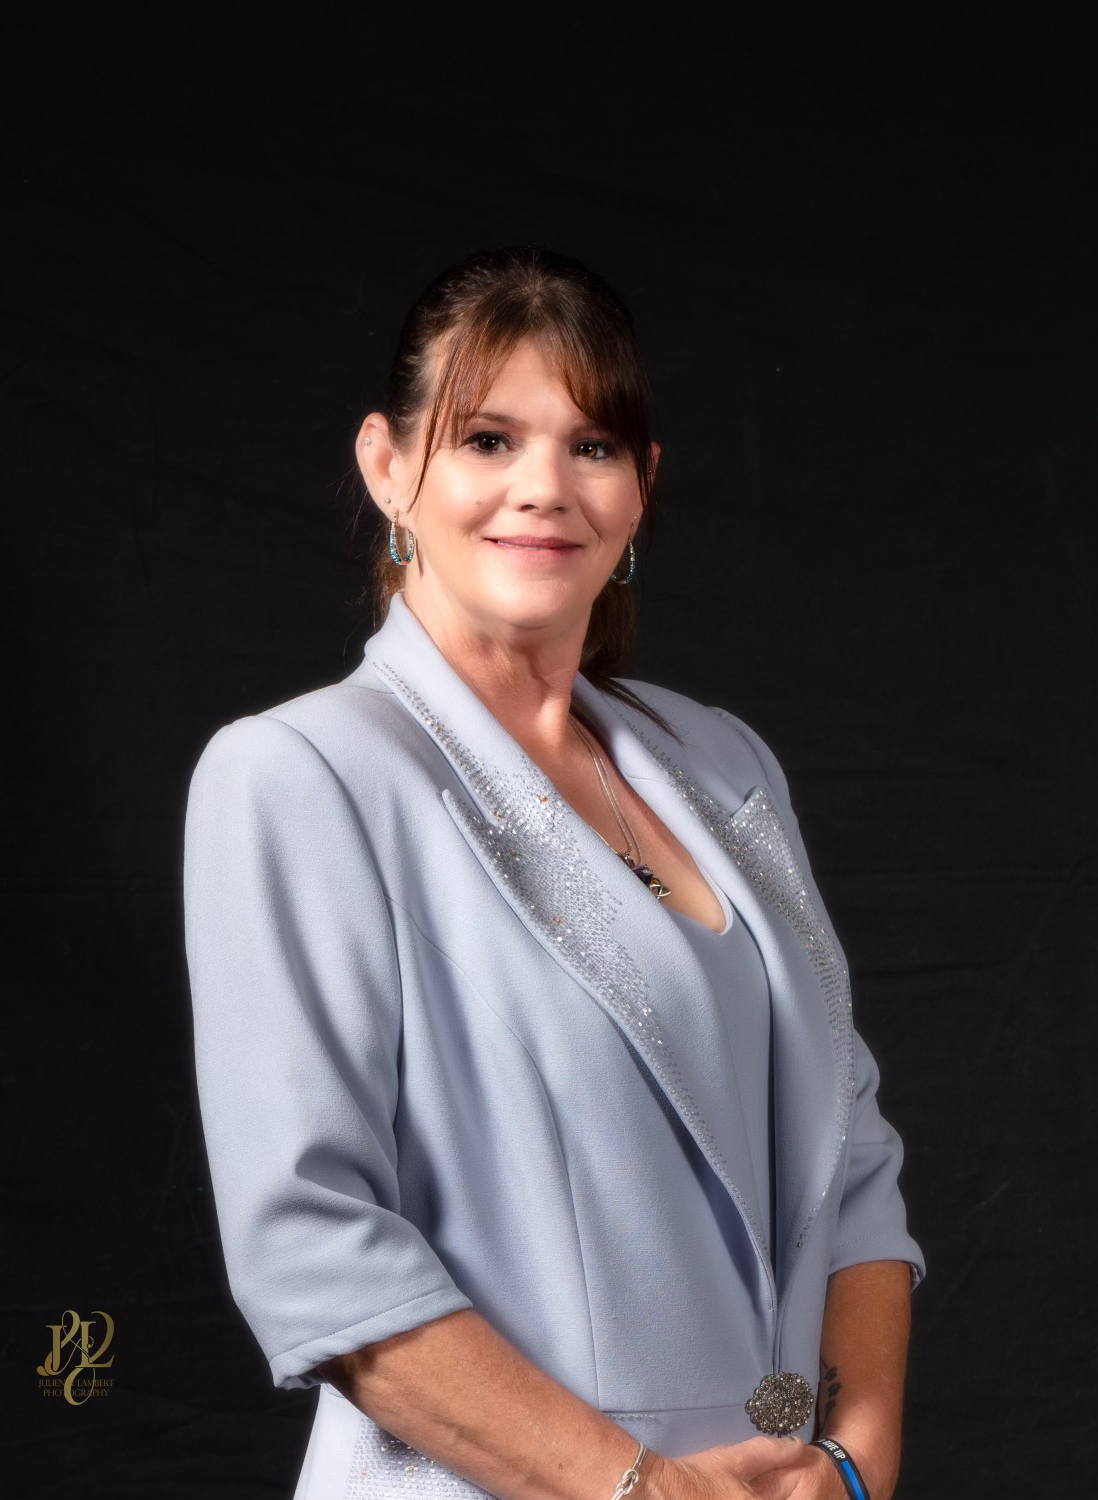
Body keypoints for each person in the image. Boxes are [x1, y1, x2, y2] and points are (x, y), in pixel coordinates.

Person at [182, 246, 925, 1500]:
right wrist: (645, 1489)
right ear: (387, 466)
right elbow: (312, 1248)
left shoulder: (723, 761)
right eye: (487, 439)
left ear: (641, 489)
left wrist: (849, 1460)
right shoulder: (300, 775)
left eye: (592, 445)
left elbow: (848, 1155)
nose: (544, 487)